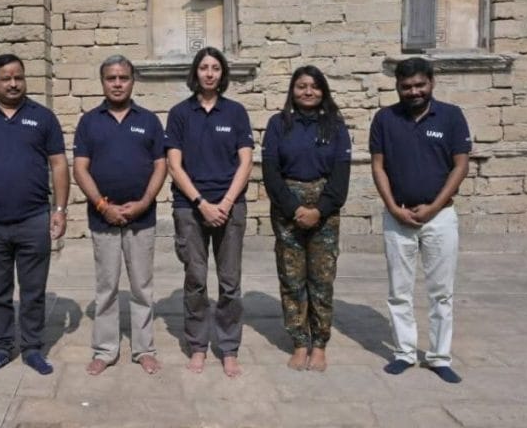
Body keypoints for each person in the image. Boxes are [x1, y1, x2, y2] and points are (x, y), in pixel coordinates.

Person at [0, 54, 69, 376]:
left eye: (18, 77)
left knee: (34, 289)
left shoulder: (43, 117)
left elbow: (59, 164)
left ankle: (33, 348)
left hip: (34, 217)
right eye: (6, 78)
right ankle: (3, 345)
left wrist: (60, 210)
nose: (13, 83)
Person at [370, 57, 471, 384]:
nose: (413, 91)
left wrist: (433, 207)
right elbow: (378, 166)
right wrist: (393, 207)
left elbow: (460, 166)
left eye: (419, 85)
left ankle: (440, 357)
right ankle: (404, 353)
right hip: (397, 217)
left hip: (440, 218)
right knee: (399, 291)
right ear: (397, 87)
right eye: (406, 86)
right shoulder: (385, 119)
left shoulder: (452, 116)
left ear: (431, 83)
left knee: (441, 292)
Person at [73, 56, 167, 376]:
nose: (117, 83)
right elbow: (80, 168)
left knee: (142, 286)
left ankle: (144, 349)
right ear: (102, 82)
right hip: (103, 218)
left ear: (132, 81)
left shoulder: (150, 121)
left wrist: (144, 202)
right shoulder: (89, 122)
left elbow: (160, 165)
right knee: (107, 286)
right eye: (111, 78)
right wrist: (102, 205)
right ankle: (106, 349)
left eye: (123, 78)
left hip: (142, 217)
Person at [165, 47, 254, 378]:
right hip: (190, 208)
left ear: (223, 74)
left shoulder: (235, 113)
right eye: (204, 67)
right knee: (196, 281)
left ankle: (228, 348)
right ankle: (198, 346)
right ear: (195, 72)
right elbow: (175, 165)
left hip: (230, 207)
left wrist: (226, 203)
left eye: (216, 68)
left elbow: (245, 162)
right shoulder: (179, 113)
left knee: (230, 283)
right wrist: (202, 203)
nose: (210, 73)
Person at [261, 65, 351, 372]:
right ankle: (300, 342)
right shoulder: (278, 124)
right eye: (301, 86)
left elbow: (341, 174)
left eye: (314, 86)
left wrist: (319, 210)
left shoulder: (336, 126)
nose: (308, 91)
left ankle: (320, 344)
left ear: (323, 90)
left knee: (322, 280)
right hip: (287, 210)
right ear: (292, 90)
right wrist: (294, 208)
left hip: (325, 212)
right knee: (292, 278)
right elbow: (271, 171)